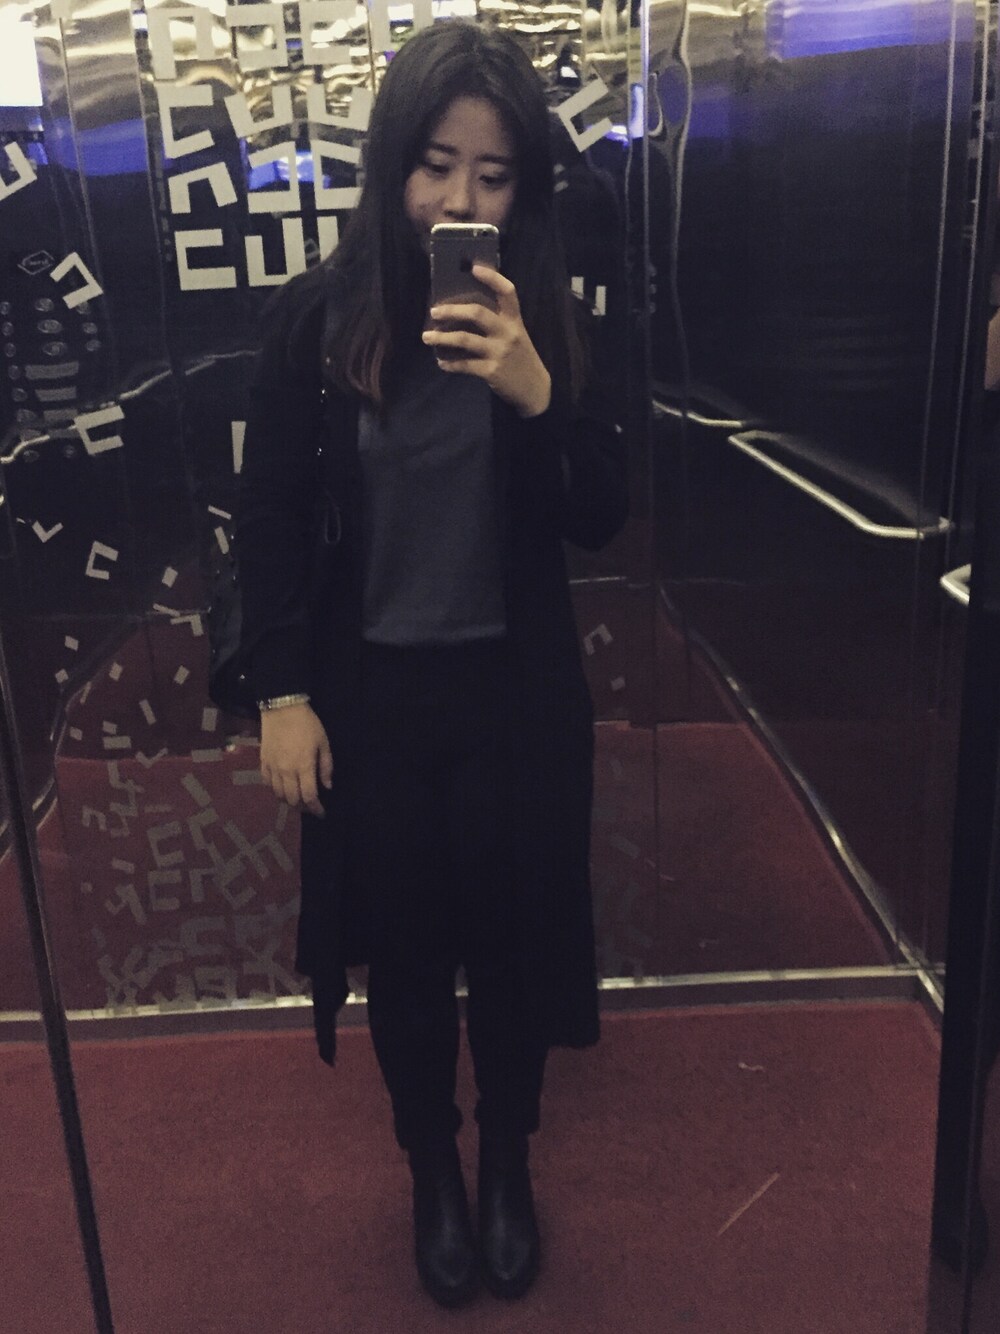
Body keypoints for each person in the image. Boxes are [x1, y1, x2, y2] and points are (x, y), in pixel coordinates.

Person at [235, 18, 628, 1308]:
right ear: (393, 163)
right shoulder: (316, 320)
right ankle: (432, 1173)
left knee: (511, 948)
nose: (462, 199)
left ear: (525, 188)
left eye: (494, 175)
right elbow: (269, 518)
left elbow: (605, 512)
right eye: (437, 165)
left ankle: (507, 1158)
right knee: (404, 960)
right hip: (372, 705)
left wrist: (537, 390)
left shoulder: (548, 317)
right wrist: (282, 691)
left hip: (514, 696)